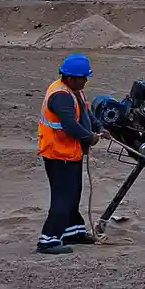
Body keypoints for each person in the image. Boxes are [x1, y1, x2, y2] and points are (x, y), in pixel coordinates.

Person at [36, 52, 110, 254]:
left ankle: (73, 231)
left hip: (70, 154)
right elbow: (70, 125)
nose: (86, 80)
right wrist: (90, 138)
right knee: (63, 197)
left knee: (73, 193)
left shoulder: (74, 91)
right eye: (83, 77)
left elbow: (86, 114)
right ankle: (48, 239)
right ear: (69, 77)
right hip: (58, 155)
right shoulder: (61, 96)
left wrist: (100, 128)